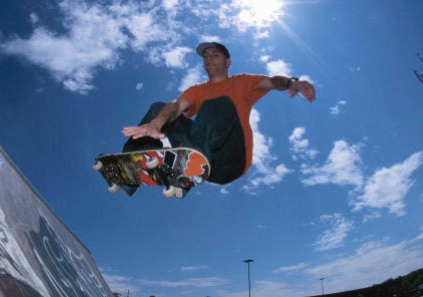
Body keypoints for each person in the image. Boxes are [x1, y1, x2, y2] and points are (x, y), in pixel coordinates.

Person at [122, 42, 315, 188]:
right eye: (206, 56)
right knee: (160, 108)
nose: (209, 59)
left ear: (228, 62)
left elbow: (273, 82)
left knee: (220, 104)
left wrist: (291, 83)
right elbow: (177, 106)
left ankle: (191, 161)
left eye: (215, 55)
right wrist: (156, 123)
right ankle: (131, 164)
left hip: (230, 160)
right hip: (202, 154)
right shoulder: (197, 90)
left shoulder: (243, 81)